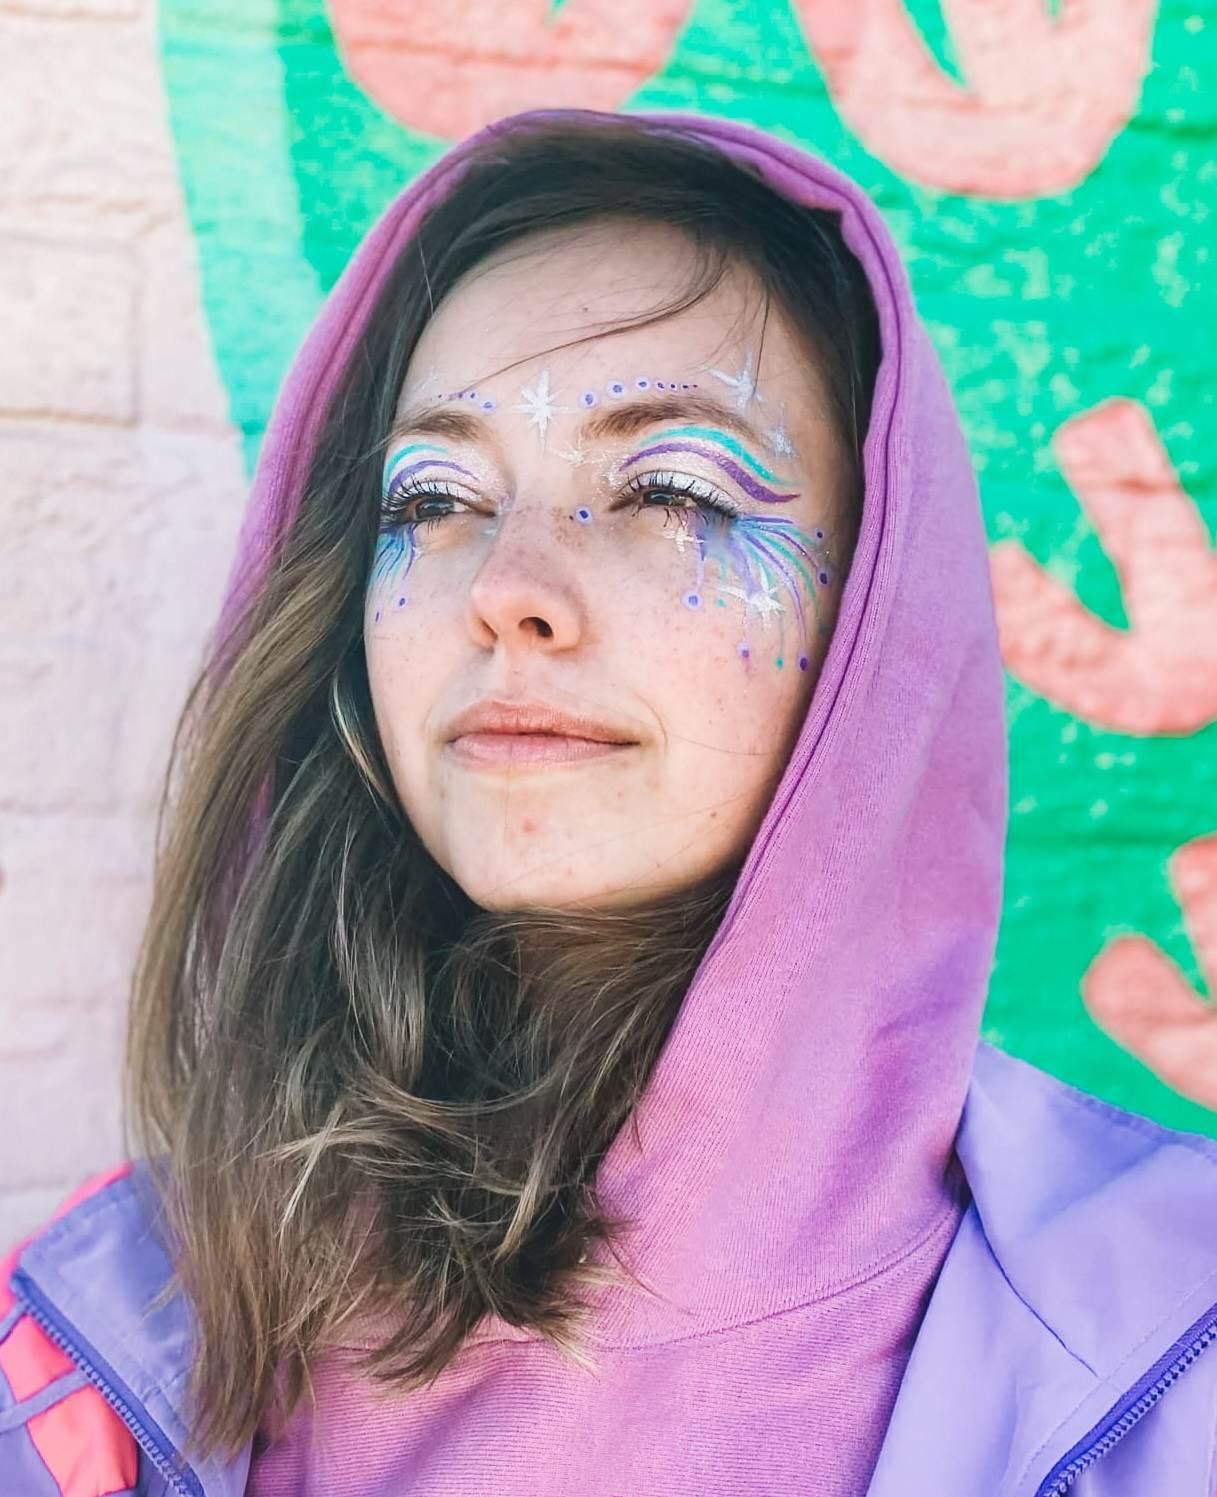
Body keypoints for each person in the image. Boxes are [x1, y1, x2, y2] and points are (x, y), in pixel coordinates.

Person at [2, 107, 1216, 1497]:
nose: (505, 588)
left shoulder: (1177, 1347)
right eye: (432, 498)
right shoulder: (89, 1357)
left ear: (873, 611)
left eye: (672, 490)